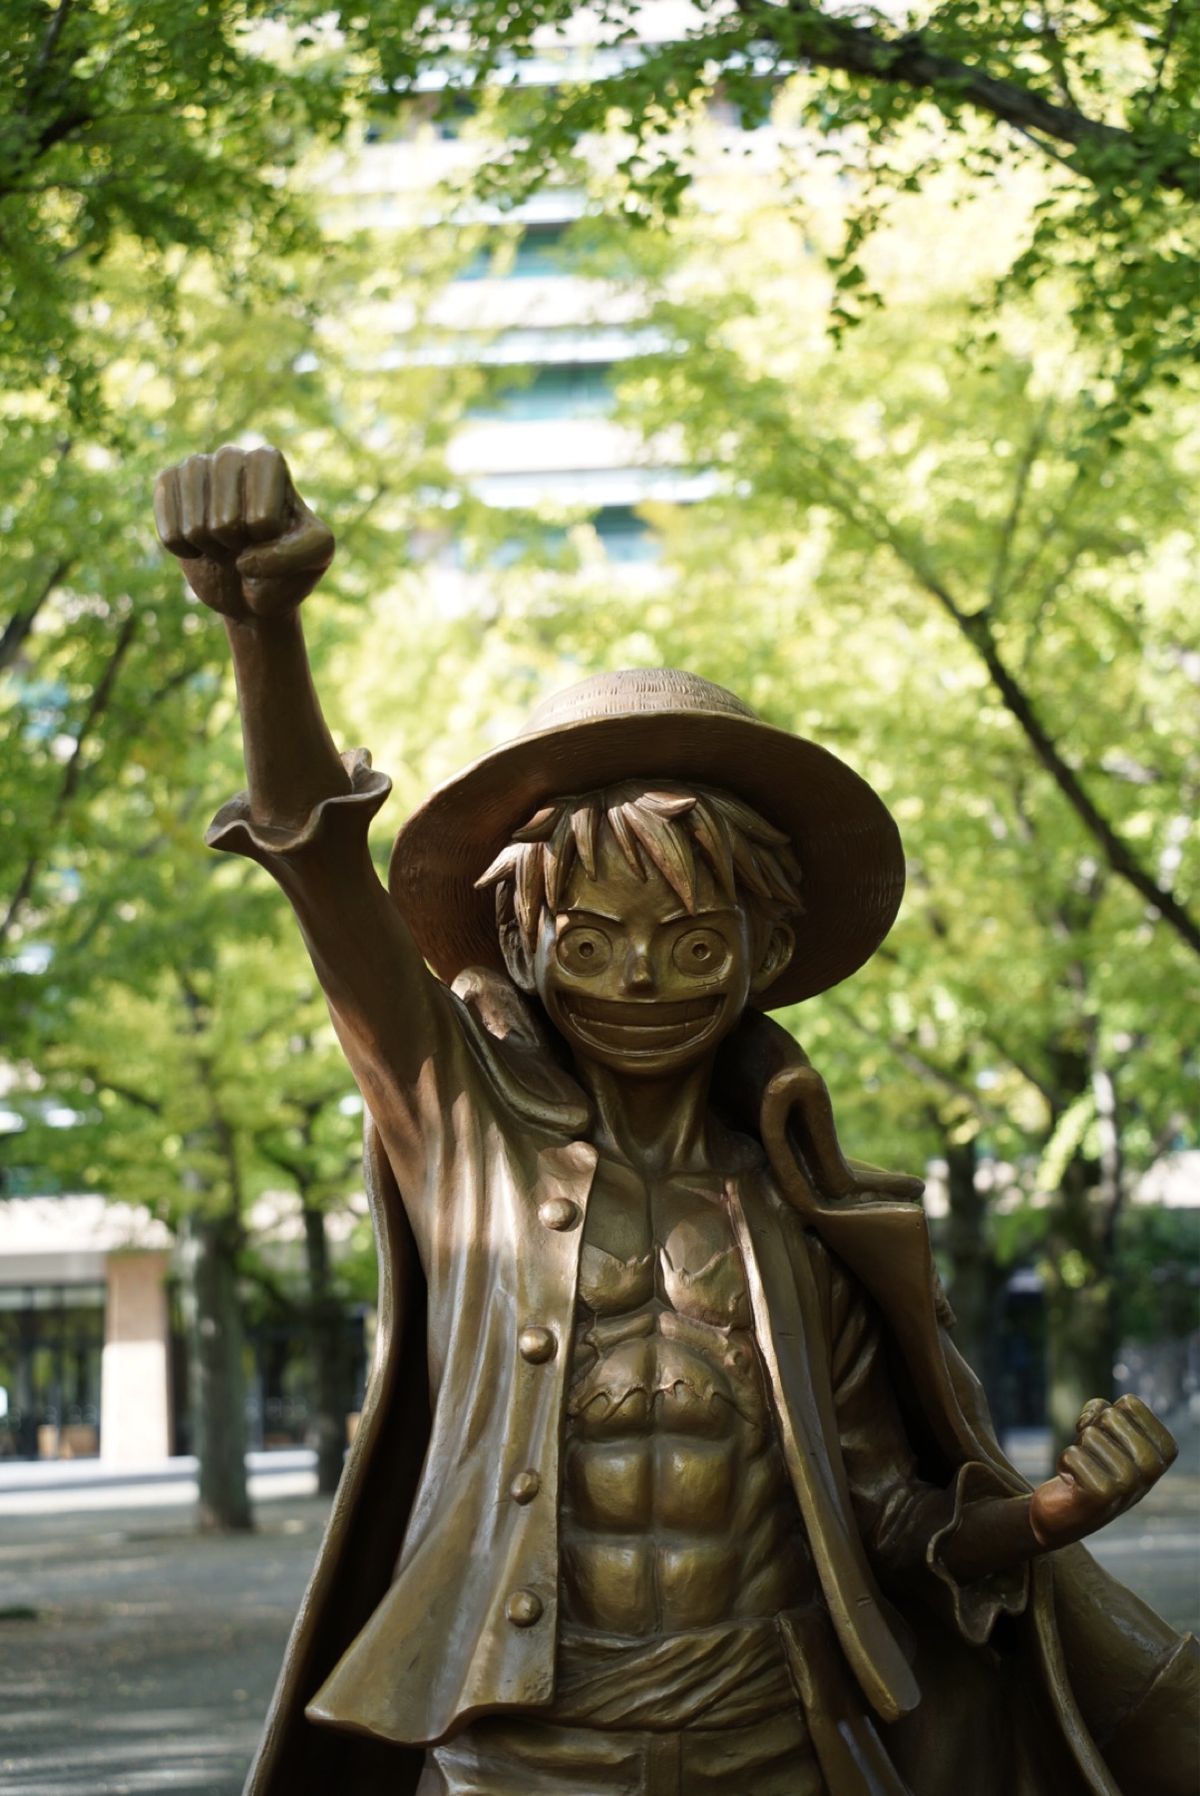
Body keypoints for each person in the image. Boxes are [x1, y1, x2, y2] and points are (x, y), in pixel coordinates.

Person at [155, 447, 1197, 1796]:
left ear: (768, 951)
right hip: (523, 1746)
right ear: (520, 945)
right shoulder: (468, 1146)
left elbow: (887, 1521)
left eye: (695, 941)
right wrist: (263, 630)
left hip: (776, 1735)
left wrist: (1053, 1510)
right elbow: (320, 869)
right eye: (592, 942)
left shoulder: (804, 1223)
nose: (642, 980)